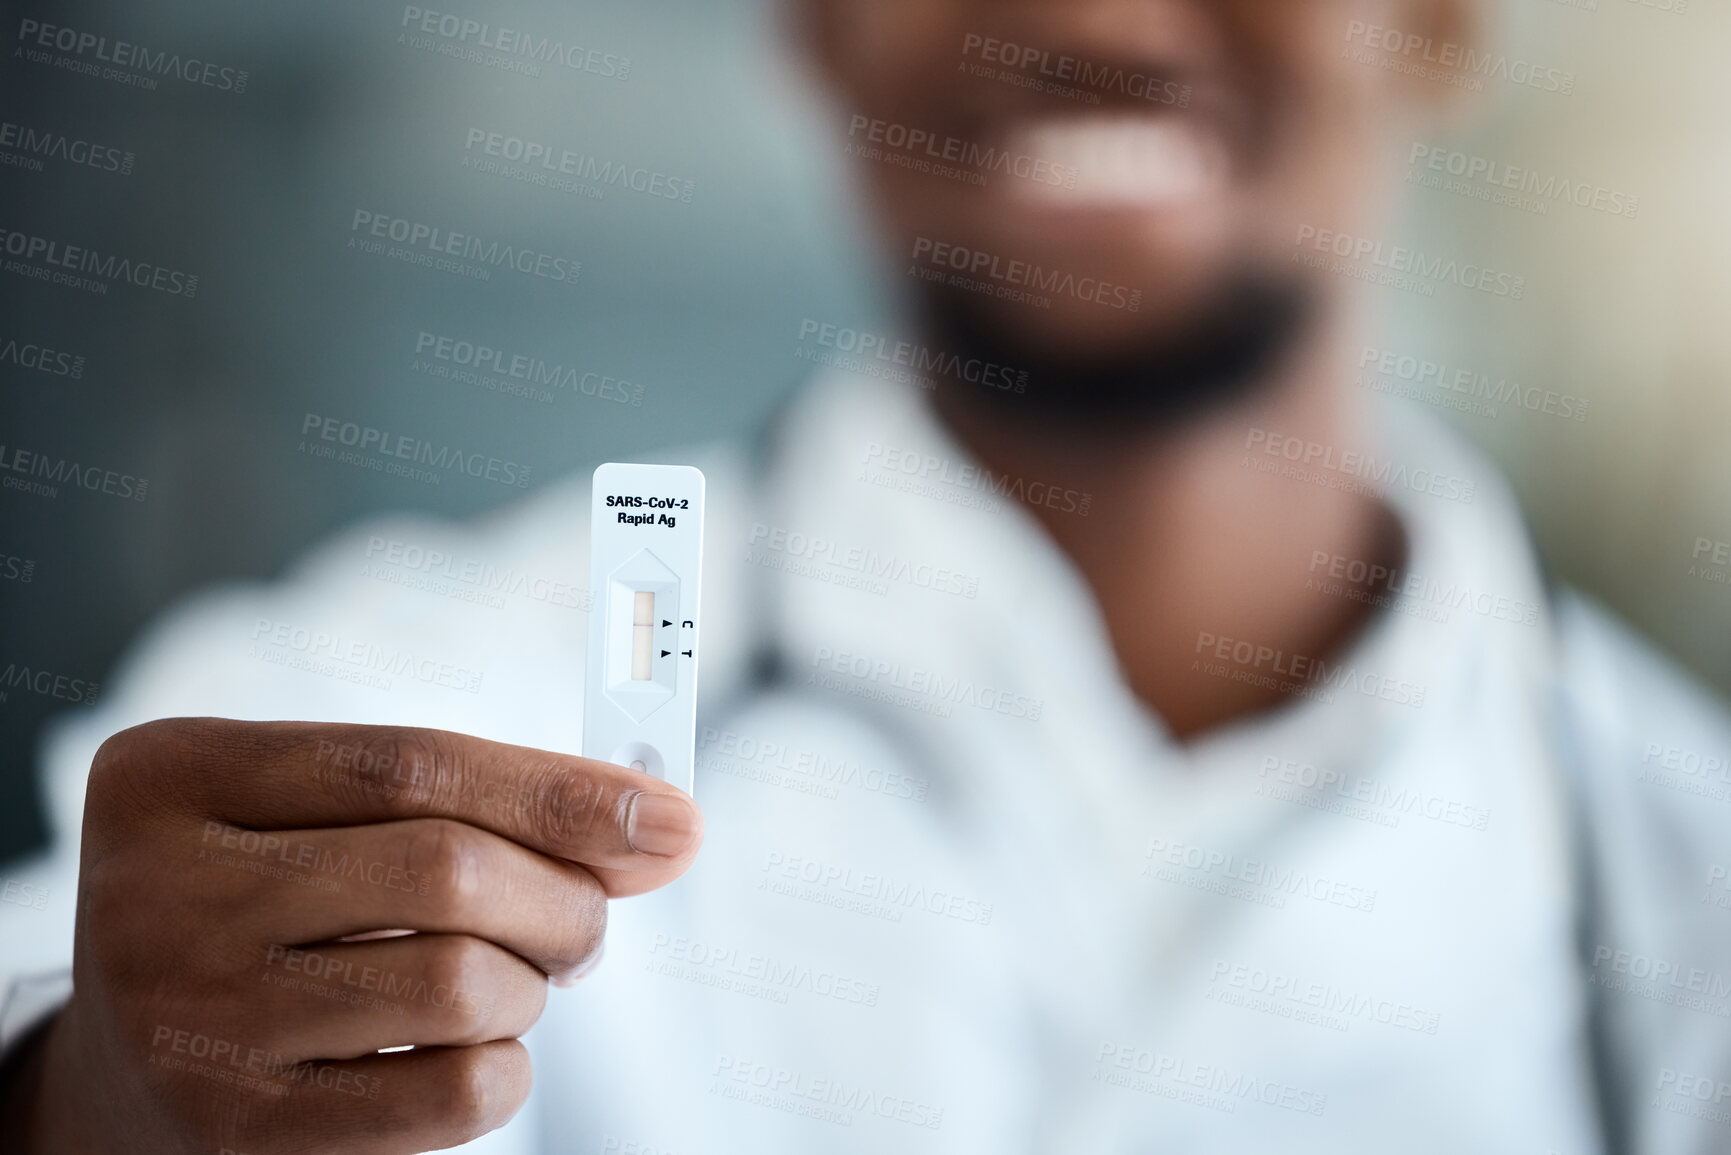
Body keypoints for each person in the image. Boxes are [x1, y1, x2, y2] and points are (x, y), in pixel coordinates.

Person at [3, 0, 1728, 1150]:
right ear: (815, 27)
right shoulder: (388, 707)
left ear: (1439, 24)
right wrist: (71, 1102)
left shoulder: (1688, 889)